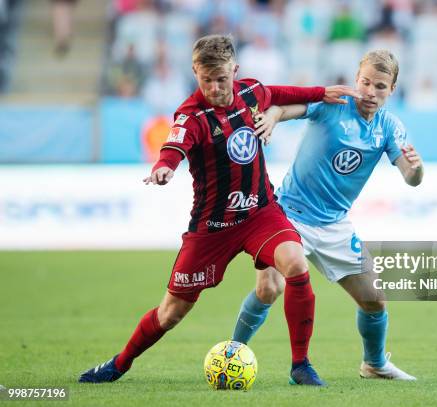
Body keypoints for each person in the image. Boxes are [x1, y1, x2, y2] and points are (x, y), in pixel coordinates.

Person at [78, 34, 359, 386]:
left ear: (234, 71)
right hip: (212, 227)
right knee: (171, 313)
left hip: (260, 213)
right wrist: (164, 167)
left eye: (221, 79)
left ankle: (300, 366)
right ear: (195, 72)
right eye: (205, 79)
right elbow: (174, 144)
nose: (214, 87)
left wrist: (321, 92)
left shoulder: (250, 91)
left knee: (296, 265)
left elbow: (281, 93)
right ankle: (119, 364)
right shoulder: (191, 116)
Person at [231, 49, 423, 381]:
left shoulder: (390, 126)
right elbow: (293, 108)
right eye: (365, 82)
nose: (370, 92)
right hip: (288, 213)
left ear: (392, 89)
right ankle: (231, 352)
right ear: (356, 78)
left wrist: (416, 168)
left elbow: (410, 176)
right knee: (269, 289)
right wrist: (274, 115)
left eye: (380, 86)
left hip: (334, 223)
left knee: (375, 299)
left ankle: (374, 364)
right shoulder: (334, 103)